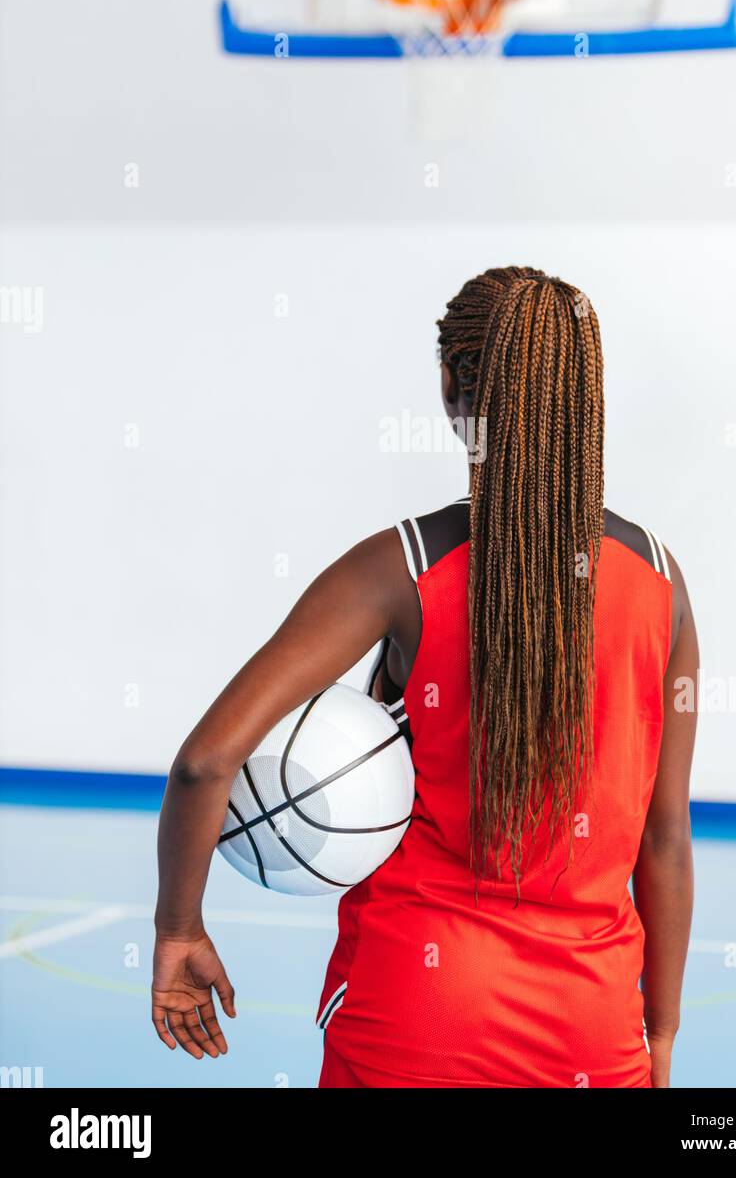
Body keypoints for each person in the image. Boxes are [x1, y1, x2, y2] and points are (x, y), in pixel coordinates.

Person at [152, 266, 698, 1088]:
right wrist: (656, 1032)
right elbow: (664, 837)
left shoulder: (401, 568)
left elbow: (205, 762)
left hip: (413, 1010)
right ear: (584, 397)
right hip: (591, 1027)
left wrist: (177, 929)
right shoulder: (660, 582)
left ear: (451, 386)